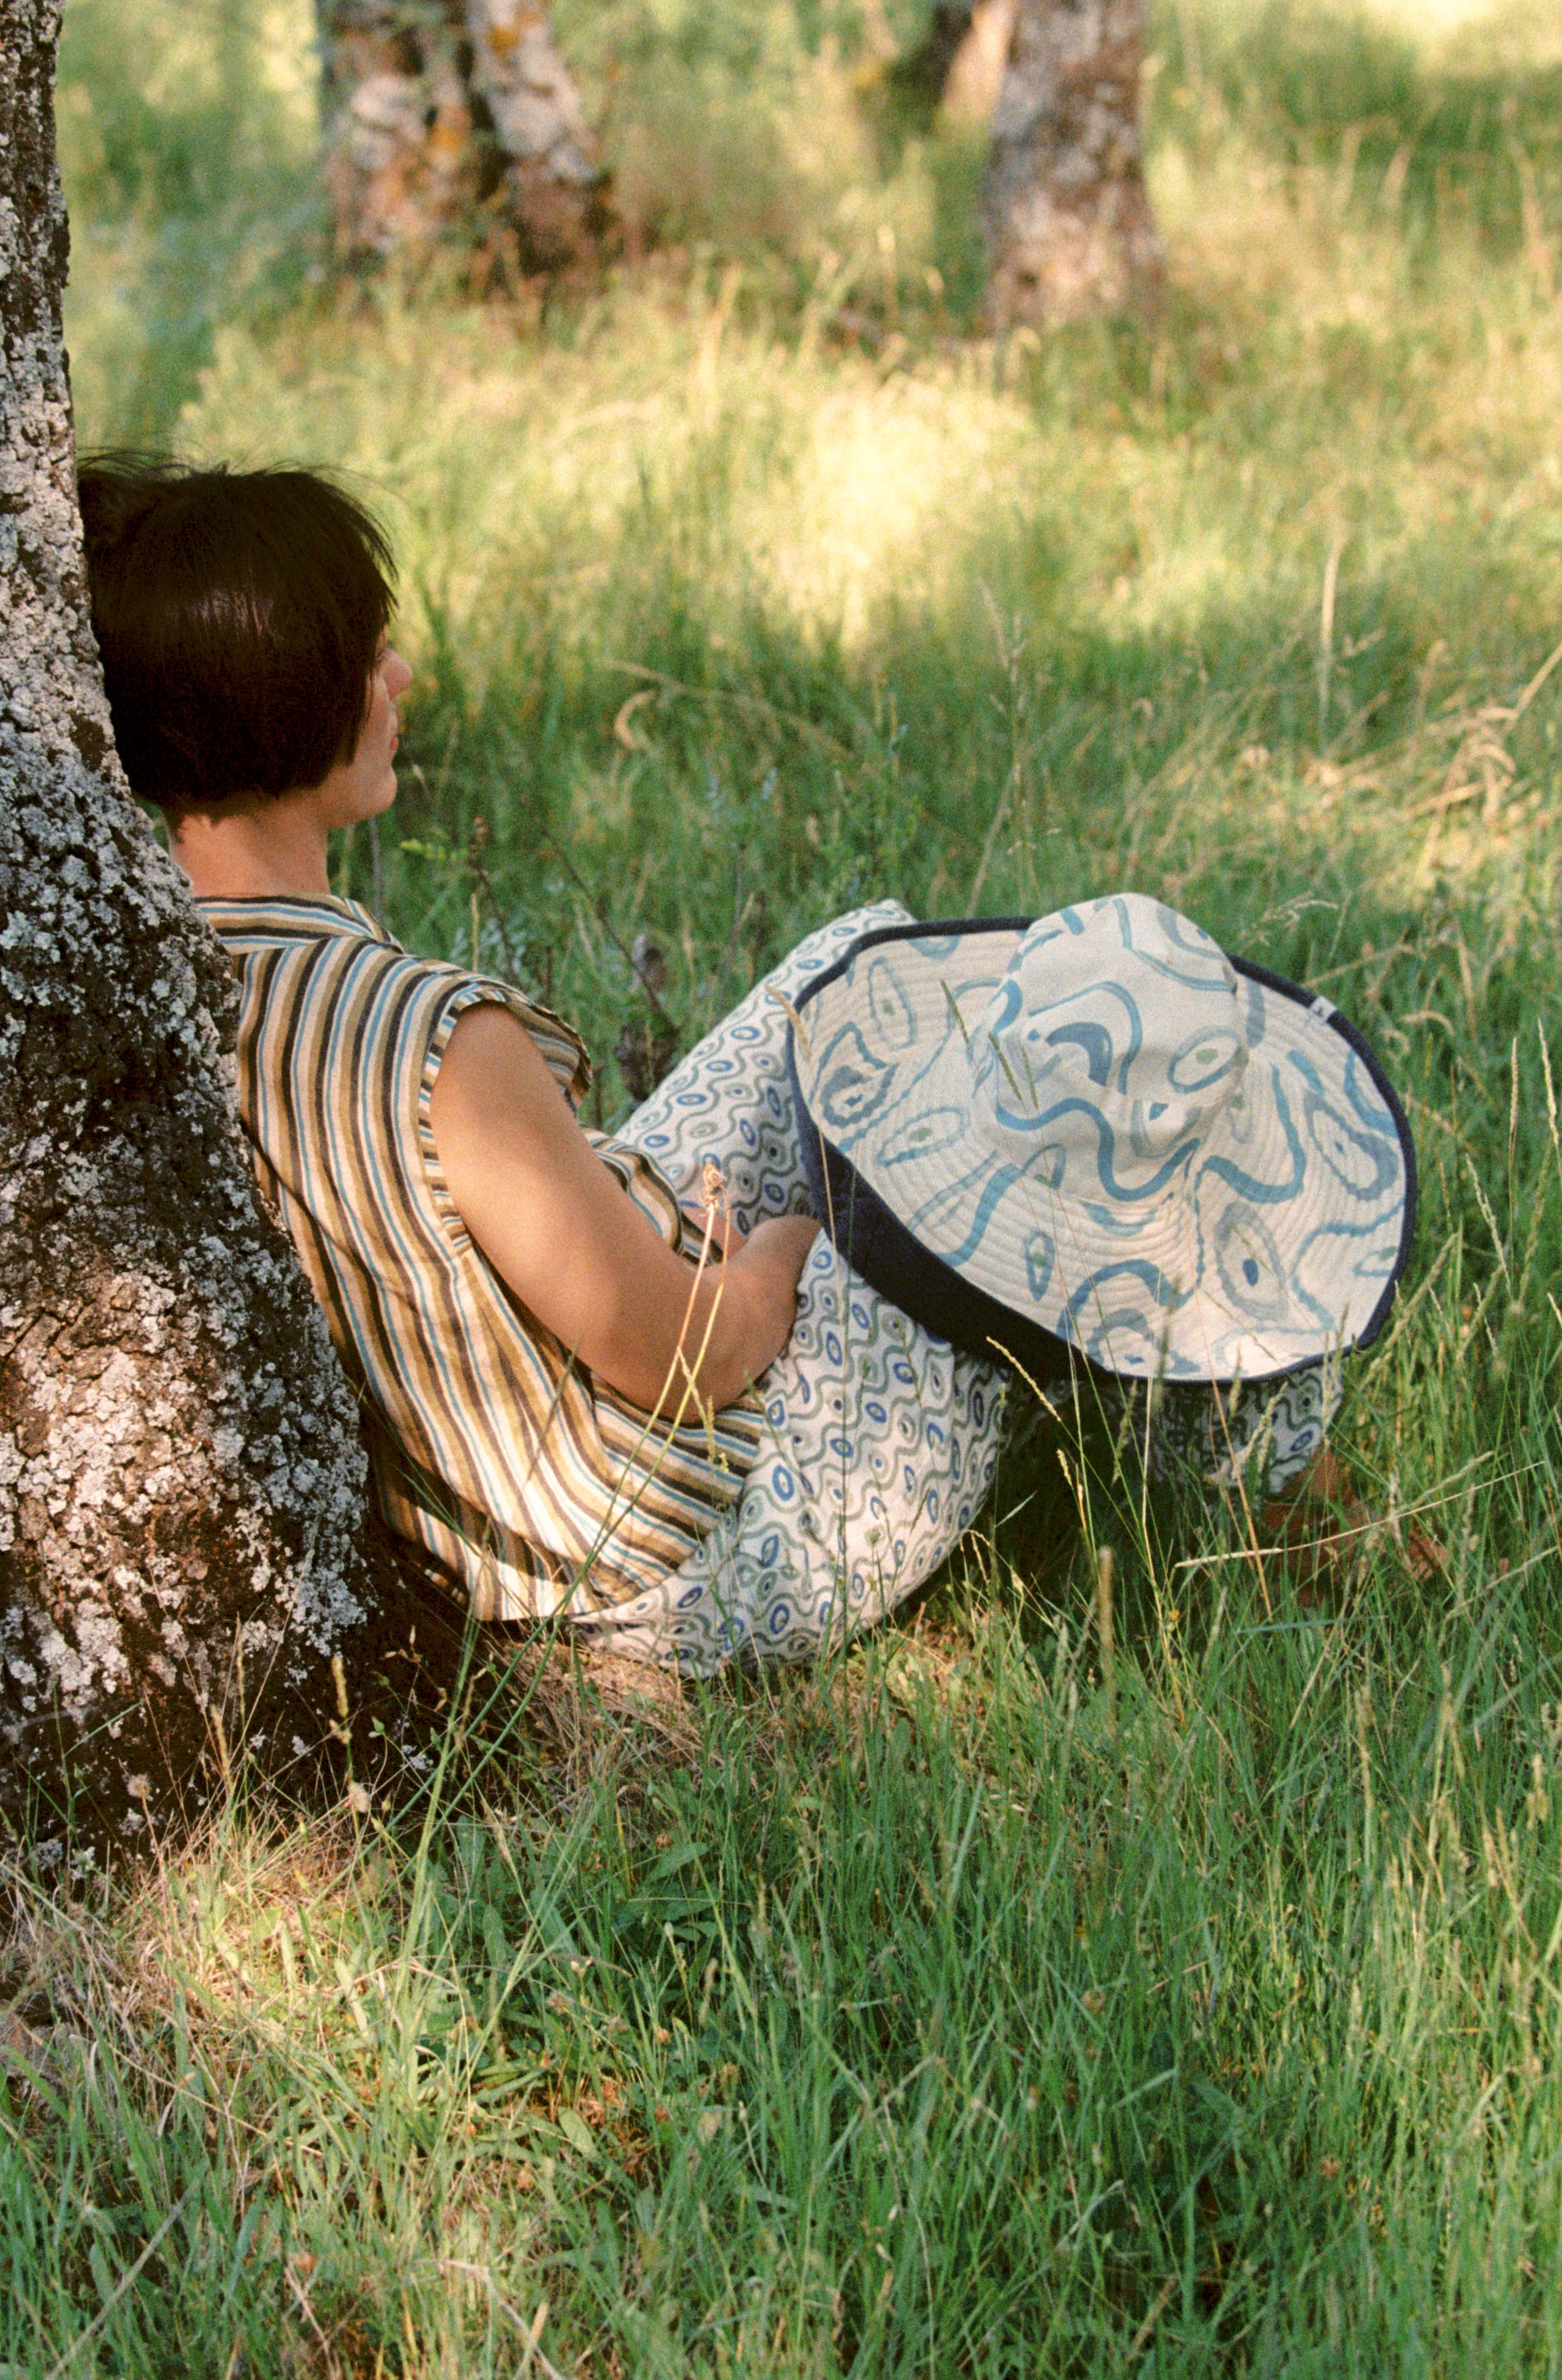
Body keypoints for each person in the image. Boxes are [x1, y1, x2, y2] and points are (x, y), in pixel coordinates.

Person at [77, 456, 1403, 1674]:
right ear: (302, 703)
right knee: (1074, 1116)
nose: (404, 677)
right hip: (697, 1552)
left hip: (505, 1504)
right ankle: (1282, 1479)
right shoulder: (426, 1035)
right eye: (375, 656)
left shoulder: (151, 975)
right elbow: (678, 1361)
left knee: (861, 957)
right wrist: (776, 1254)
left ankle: (1228, 1425)